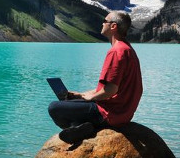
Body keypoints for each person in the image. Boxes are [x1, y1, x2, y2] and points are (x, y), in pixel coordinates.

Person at [48, 11, 143, 144]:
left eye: (105, 21)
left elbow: (111, 90)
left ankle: (82, 128)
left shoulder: (116, 51)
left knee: (54, 107)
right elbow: (110, 88)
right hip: (122, 112)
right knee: (70, 101)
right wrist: (81, 95)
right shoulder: (127, 49)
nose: (102, 23)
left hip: (109, 113)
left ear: (113, 26)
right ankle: (80, 127)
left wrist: (91, 98)